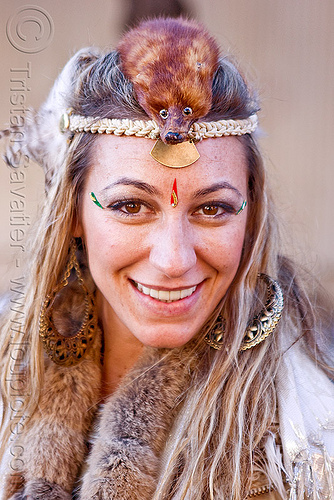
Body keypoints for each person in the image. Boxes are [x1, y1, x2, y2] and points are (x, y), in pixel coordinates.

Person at [0, 17, 333, 500]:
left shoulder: (307, 434)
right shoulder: (8, 372)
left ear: (251, 213)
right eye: (130, 206)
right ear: (73, 210)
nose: (174, 259)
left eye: (212, 208)